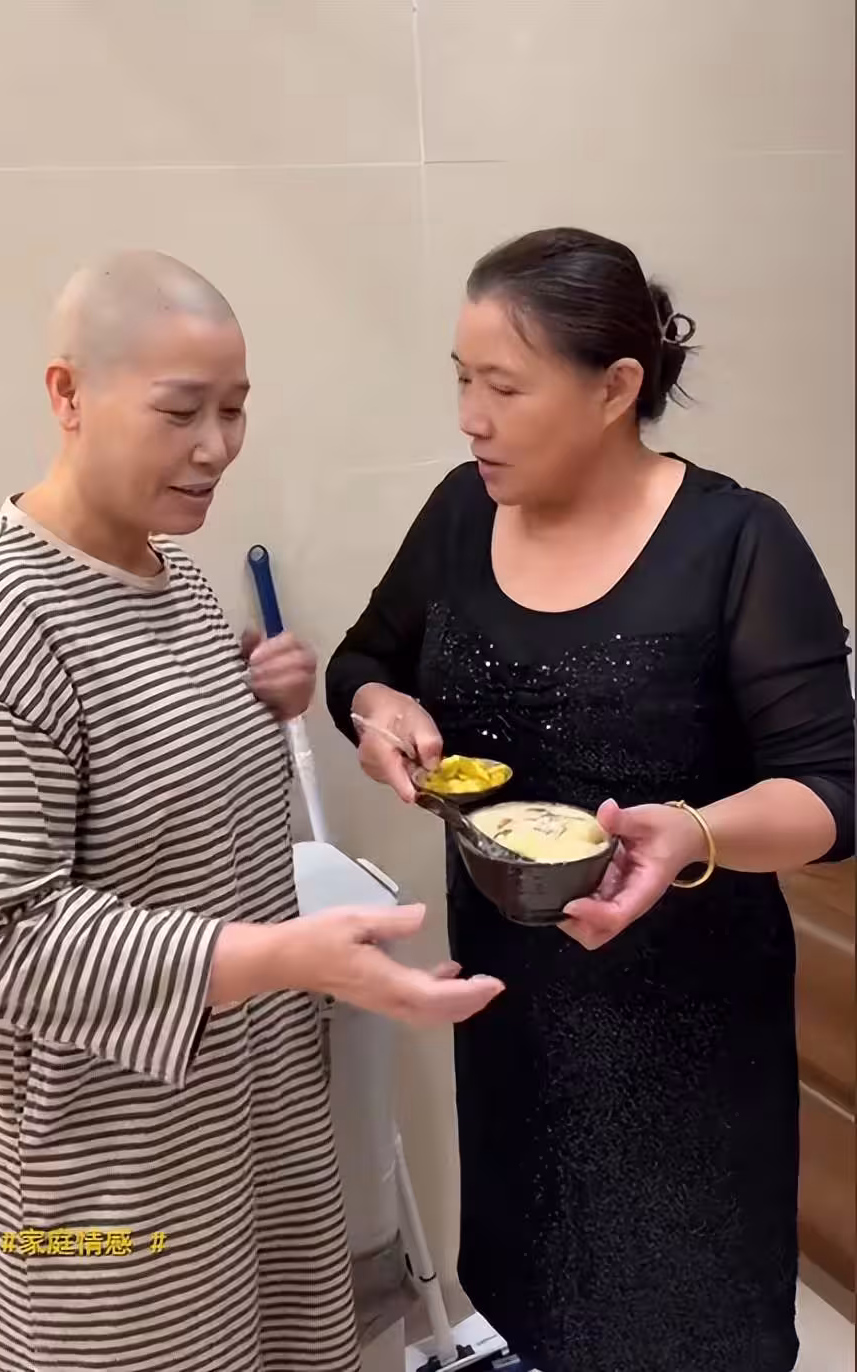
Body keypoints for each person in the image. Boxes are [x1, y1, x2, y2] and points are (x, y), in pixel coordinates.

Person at [0, 250, 504, 1372]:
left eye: (235, 408)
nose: (217, 446)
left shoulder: (173, 576)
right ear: (67, 395)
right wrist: (283, 956)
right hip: (90, 1174)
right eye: (180, 412)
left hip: (226, 1119)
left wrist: (250, 696)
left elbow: (153, 793)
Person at [326, 227, 855, 1372]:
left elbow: (832, 791)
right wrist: (379, 710)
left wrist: (698, 830)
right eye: (461, 380)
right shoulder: (462, 514)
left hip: (686, 1042)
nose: (470, 418)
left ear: (616, 388)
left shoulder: (736, 542)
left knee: (682, 1327)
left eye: (504, 387)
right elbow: (362, 661)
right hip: (513, 1018)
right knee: (542, 1301)